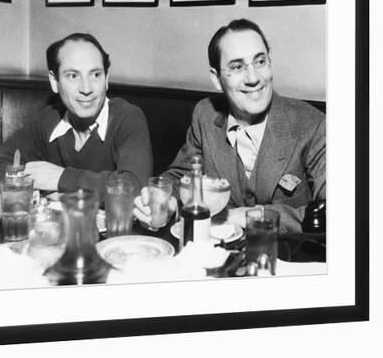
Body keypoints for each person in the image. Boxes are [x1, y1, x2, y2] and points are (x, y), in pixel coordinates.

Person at [134, 19, 326, 235]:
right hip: (220, 258)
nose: (253, 78)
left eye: (260, 61)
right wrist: (166, 202)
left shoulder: (313, 124)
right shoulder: (205, 115)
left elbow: (335, 211)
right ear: (216, 79)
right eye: (237, 67)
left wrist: (247, 216)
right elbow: (185, 176)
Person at [0, 32, 153, 196]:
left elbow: (136, 187)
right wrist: (36, 180)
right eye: (73, 76)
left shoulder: (128, 118)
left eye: (96, 74)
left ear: (106, 79)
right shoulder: (49, 118)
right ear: (54, 81)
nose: (86, 88)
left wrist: (60, 179)